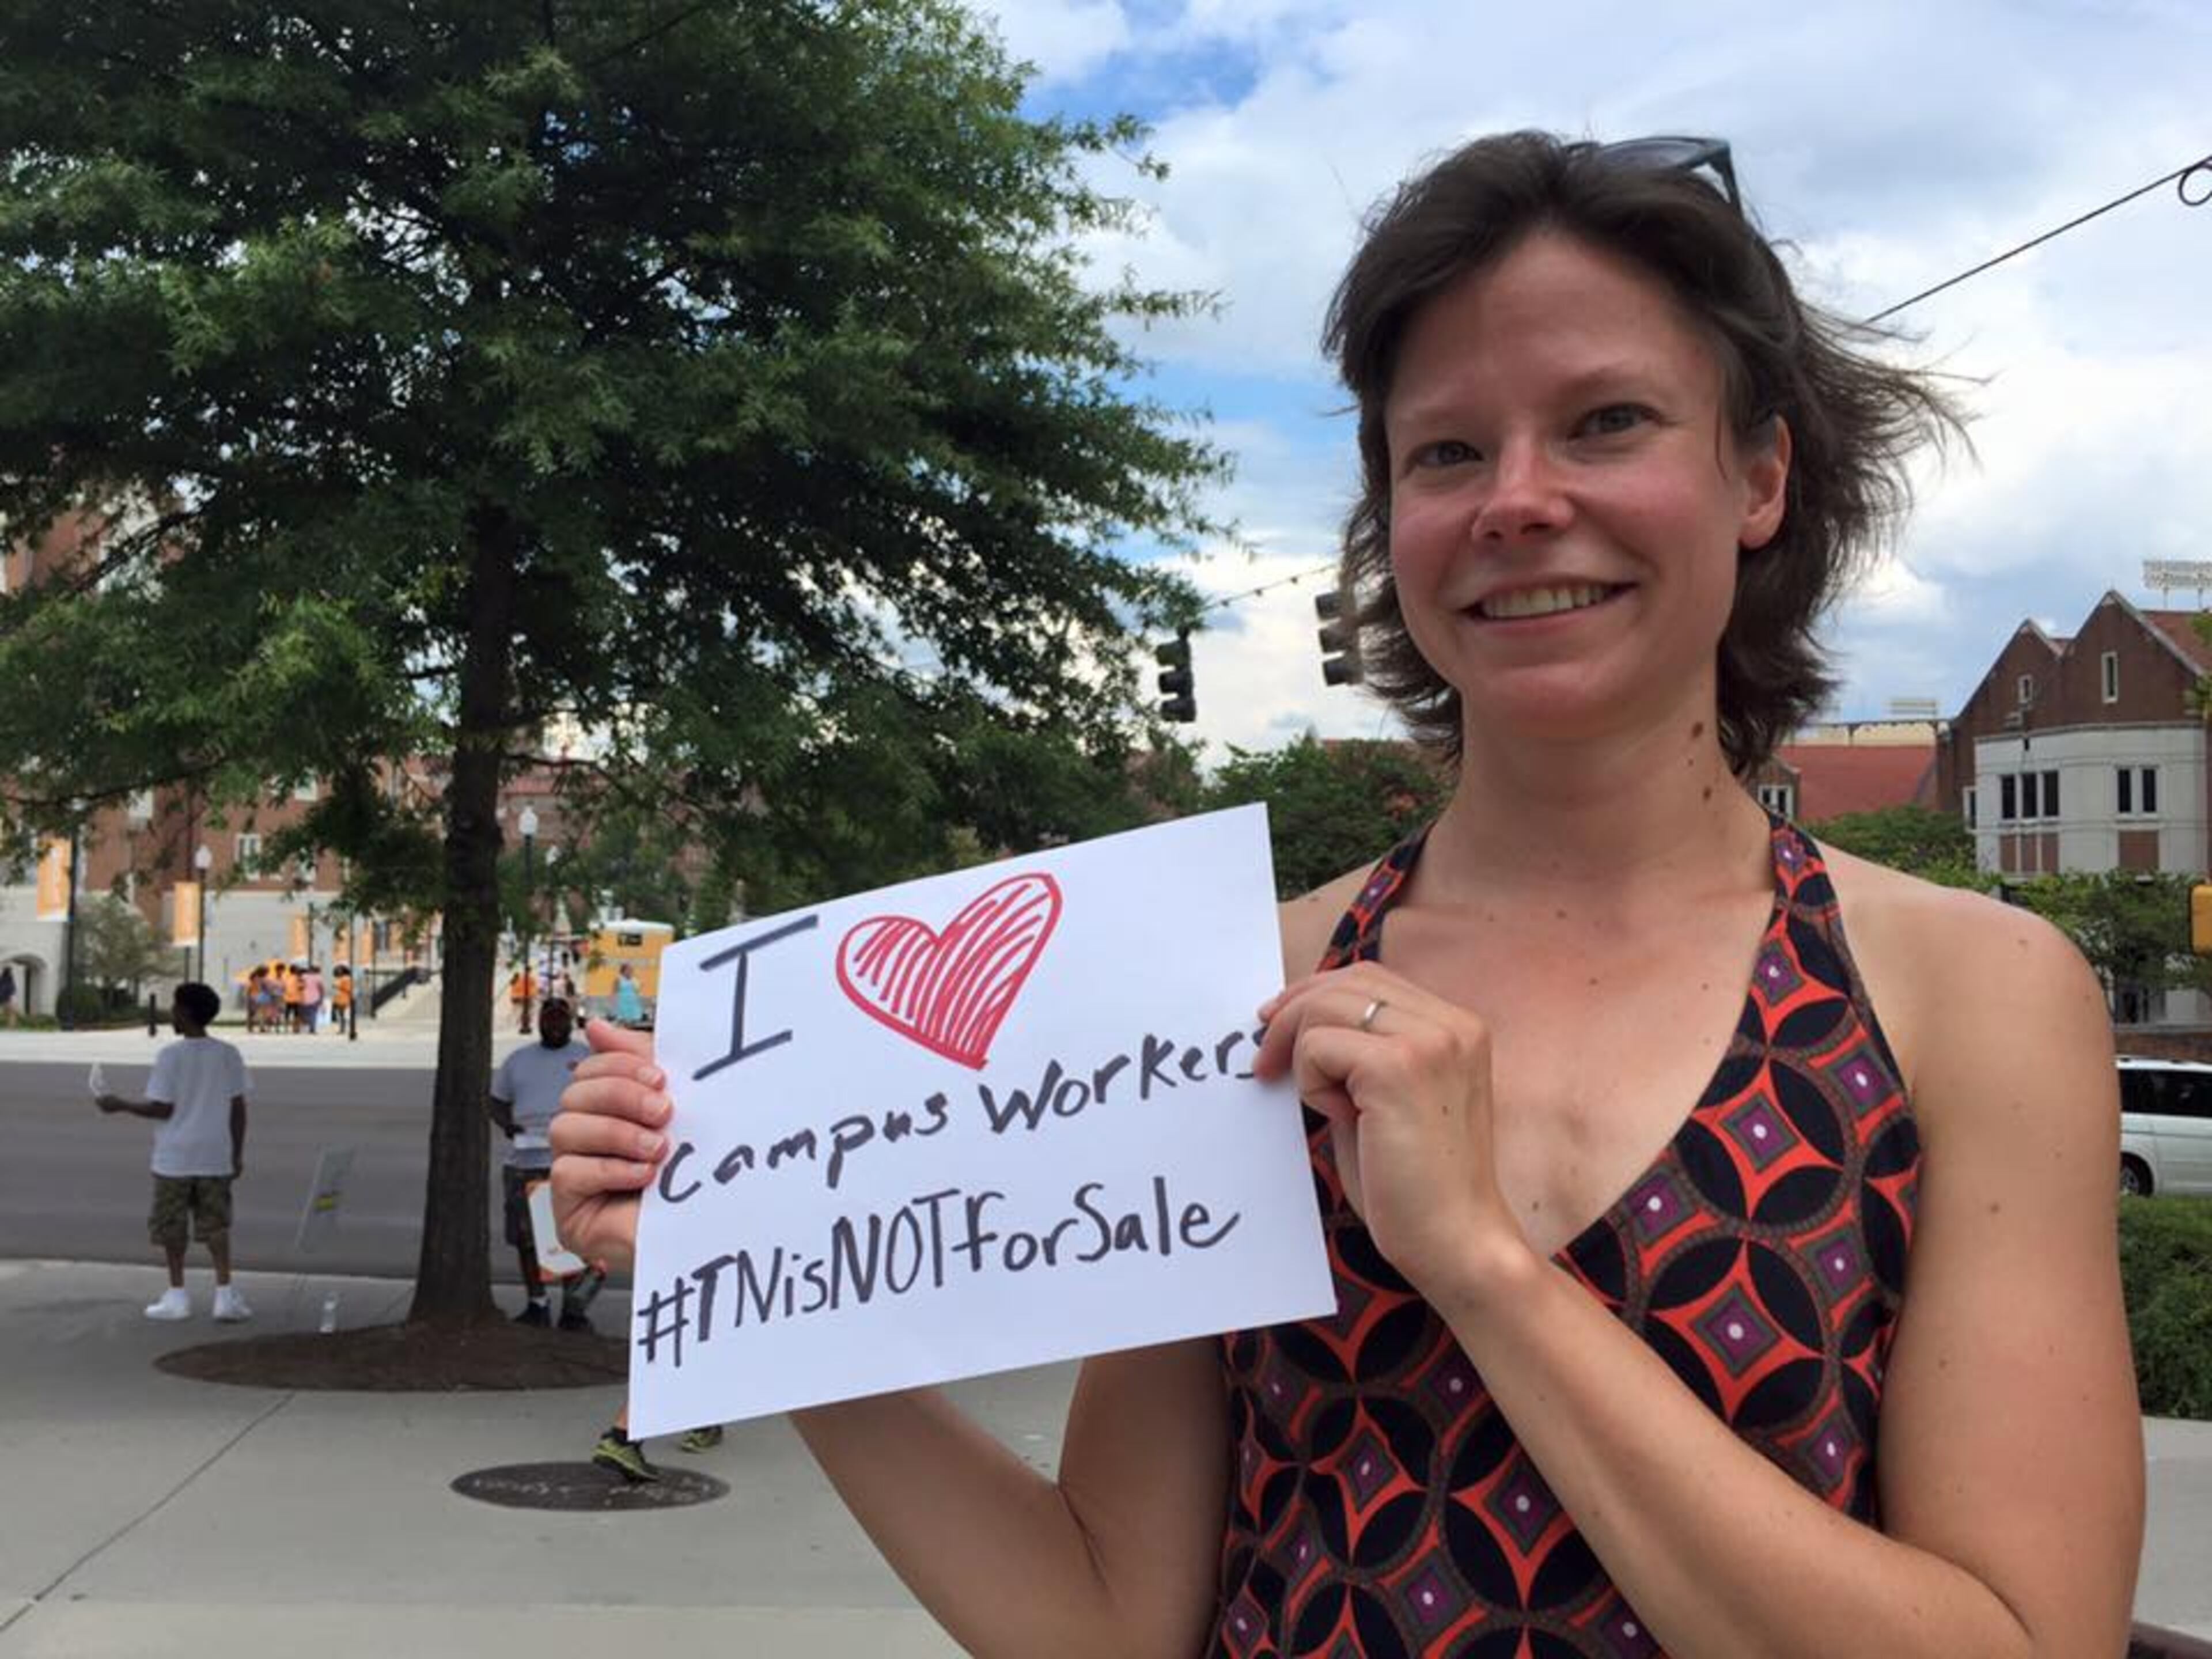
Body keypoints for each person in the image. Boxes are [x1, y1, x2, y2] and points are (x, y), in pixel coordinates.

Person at [548, 132, 2142, 1656]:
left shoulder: (1966, 994)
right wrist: (768, 1275)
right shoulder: (1239, 979)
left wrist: (1485, 1268)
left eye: (1606, 423)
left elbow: (2027, 1638)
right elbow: (1104, 1622)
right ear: (1393, 522)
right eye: (1447, 450)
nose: (1518, 498)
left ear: (1760, 477)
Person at [96, 980, 253, 1322]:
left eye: (175, 1007)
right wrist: (236, 1153)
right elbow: (238, 1108)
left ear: (185, 1012)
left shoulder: (170, 1056)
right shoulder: (228, 1054)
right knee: (216, 1225)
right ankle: (225, 1294)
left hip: (175, 1157)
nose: (171, 1013)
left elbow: (162, 1109)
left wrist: (119, 1104)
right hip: (215, 1154)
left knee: (172, 1227)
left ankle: (177, 1294)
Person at [488, 996, 604, 1331]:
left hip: (571, 1160)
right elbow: (496, 1101)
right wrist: (508, 1125)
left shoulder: (585, 1058)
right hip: (525, 1160)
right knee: (527, 1239)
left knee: (567, 1239)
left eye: (560, 1018)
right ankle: (537, 1304)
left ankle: (573, 1310)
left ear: (570, 1022)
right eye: (549, 1017)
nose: (554, 1023)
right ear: (539, 1021)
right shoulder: (518, 1061)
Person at [612, 961, 645, 1027]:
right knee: (623, 1022)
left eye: (631, 970)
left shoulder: (634, 980)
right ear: (623, 970)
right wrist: (614, 1005)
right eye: (628, 970)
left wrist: (640, 986)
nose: (630, 971)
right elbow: (614, 992)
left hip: (633, 1004)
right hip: (623, 1004)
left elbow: (638, 991)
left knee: (634, 1023)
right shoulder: (618, 979)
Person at [330, 964, 354, 1034]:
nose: (338, 972)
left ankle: (343, 1029)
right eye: (338, 971)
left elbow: (349, 989)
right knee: (340, 1015)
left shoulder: (347, 978)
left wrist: (338, 987)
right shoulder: (338, 978)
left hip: (344, 999)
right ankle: (342, 1028)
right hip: (338, 998)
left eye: (340, 970)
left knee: (343, 1015)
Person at [0, 962, 16, 1026]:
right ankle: (11, 1026)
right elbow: (12, 989)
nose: (11, 972)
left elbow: (13, 989)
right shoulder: (8, 979)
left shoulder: (5, 979)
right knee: (11, 1012)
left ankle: (11, 1025)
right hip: (6, 997)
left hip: (6, 997)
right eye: (10, 971)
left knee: (10, 1012)